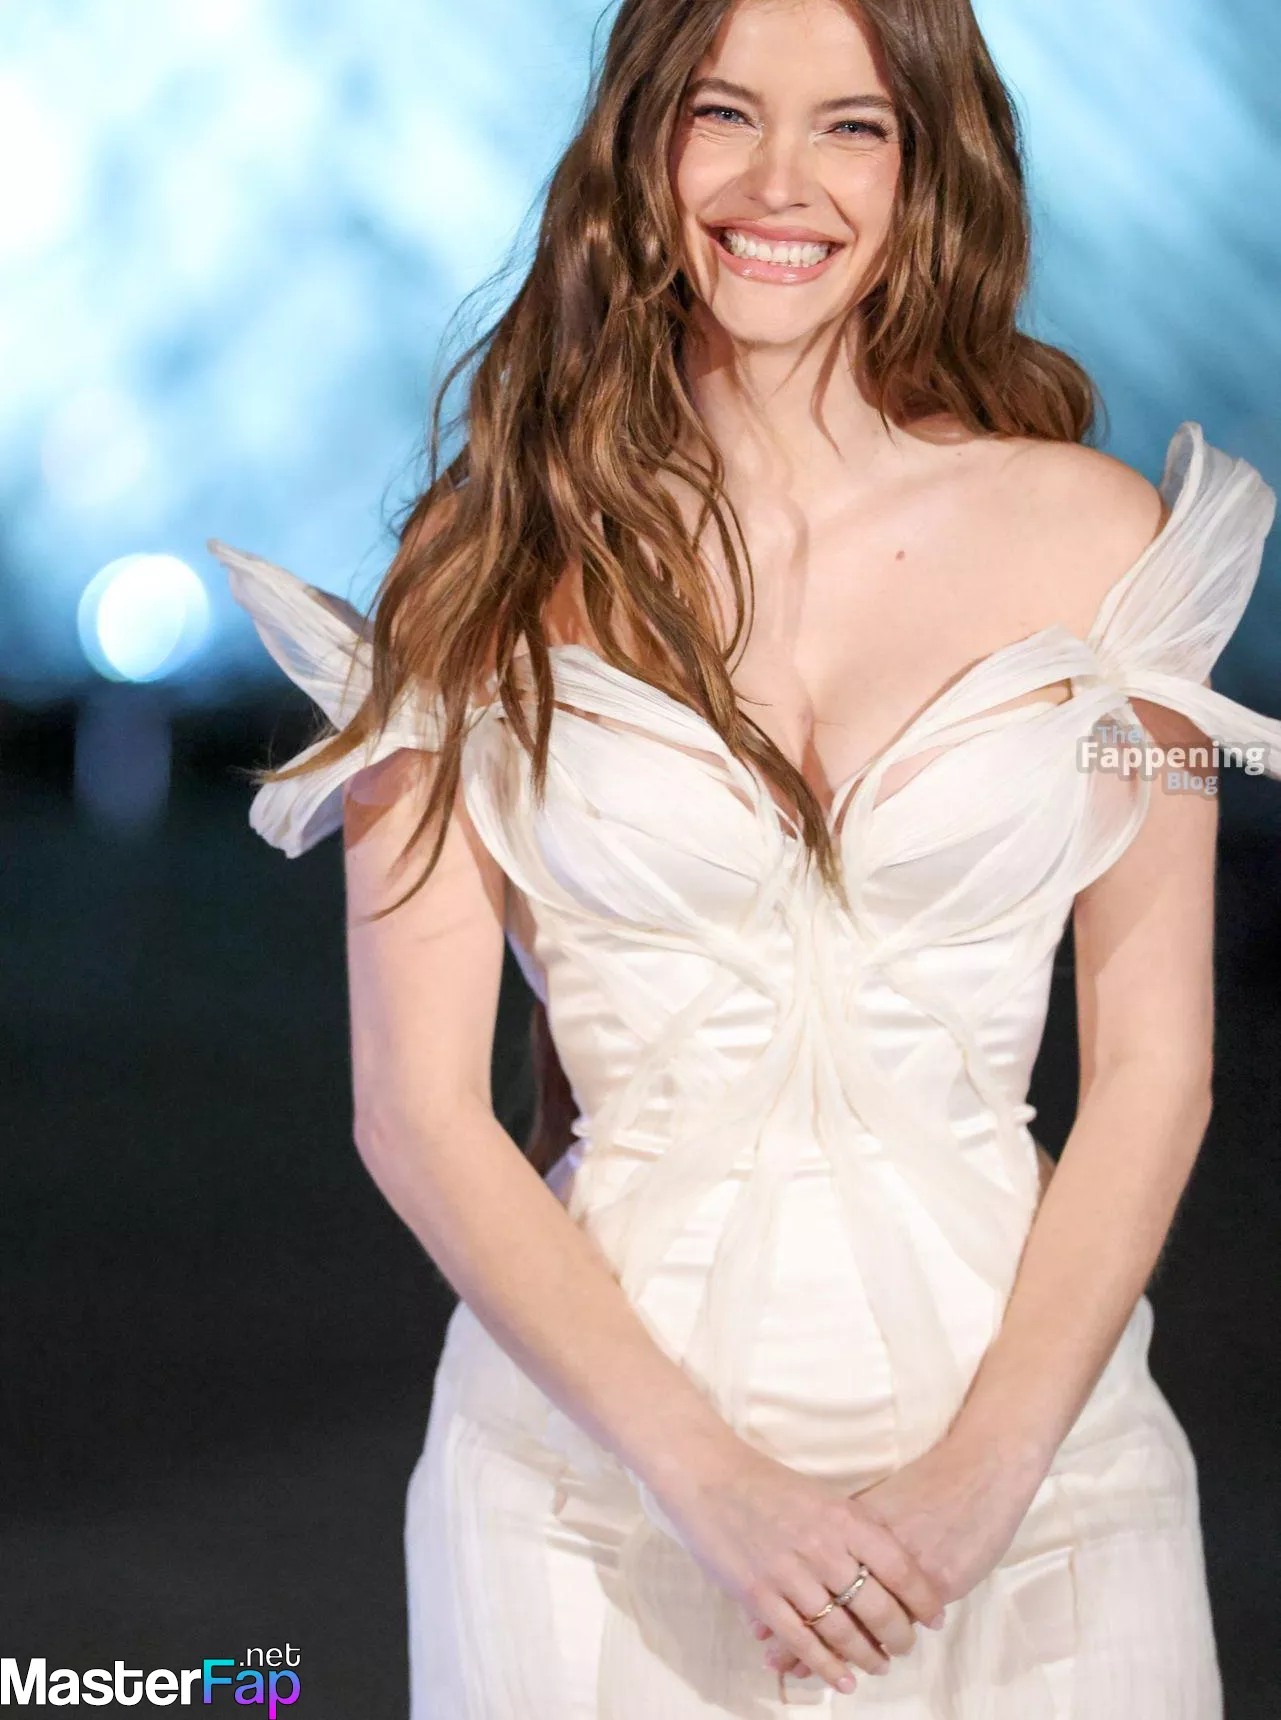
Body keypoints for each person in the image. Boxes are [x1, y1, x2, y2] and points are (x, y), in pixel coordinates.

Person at [210, 0, 1280, 1712]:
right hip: (588, 1501)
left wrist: (986, 1481)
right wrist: (714, 1492)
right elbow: (416, 1108)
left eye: (853, 125)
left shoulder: (1106, 556)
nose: (783, 181)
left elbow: (1157, 1066)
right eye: (725, 113)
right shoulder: (488, 567)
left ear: (929, 165)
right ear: (642, 143)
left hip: (1044, 1493)